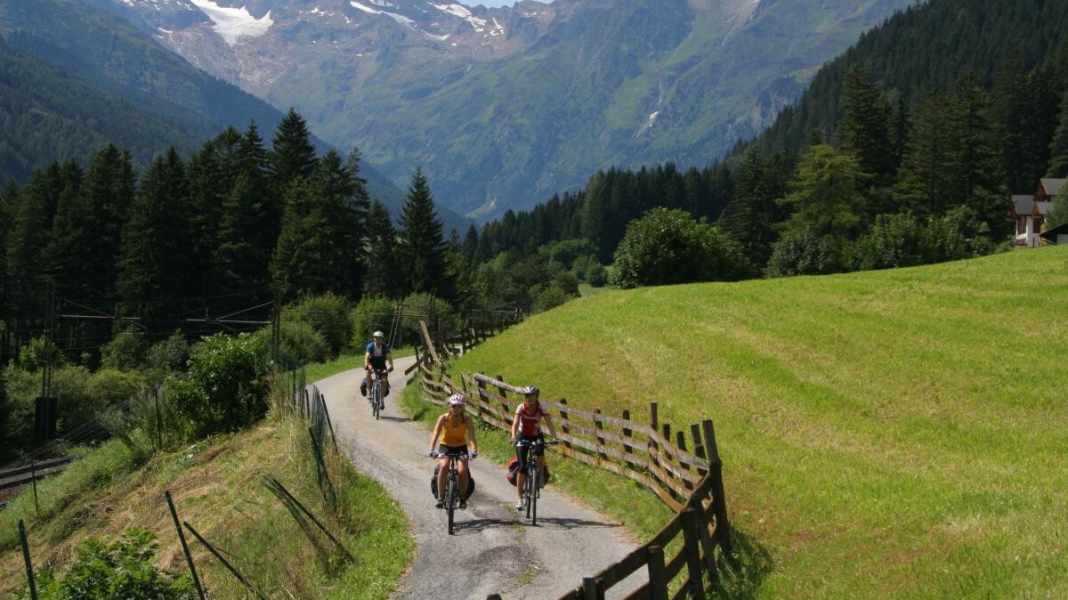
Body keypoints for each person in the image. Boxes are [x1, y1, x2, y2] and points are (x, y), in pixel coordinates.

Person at [510, 385, 557, 511]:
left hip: (536, 435)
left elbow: (549, 423)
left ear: (537, 397)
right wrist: (513, 436)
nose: (529, 399)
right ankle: (520, 498)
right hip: (522, 436)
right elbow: (515, 423)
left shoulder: (541, 407)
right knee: (522, 467)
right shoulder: (521, 407)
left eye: (531, 396)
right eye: (527, 396)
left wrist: (554, 437)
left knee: (540, 453)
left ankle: (540, 475)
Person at [428, 393, 478, 509]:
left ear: (463, 408)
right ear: (449, 406)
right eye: (454, 406)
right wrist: (432, 449)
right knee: (444, 466)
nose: (456, 409)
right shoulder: (443, 418)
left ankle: (462, 498)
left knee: (462, 470)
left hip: (461, 446)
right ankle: (440, 497)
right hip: (446, 445)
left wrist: (474, 450)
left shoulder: (466, 419)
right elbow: (436, 432)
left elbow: (471, 436)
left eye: (459, 406)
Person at [361, 330, 394, 399]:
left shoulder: (385, 347)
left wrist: (390, 366)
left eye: (380, 338)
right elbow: (366, 357)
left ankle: (381, 399)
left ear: (382, 339)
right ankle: (369, 392)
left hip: (381, 365)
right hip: (371, 364)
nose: (378, 340)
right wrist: (367, 365)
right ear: (374, 338)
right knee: (368, 373)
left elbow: (389, 358)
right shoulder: (370, 346)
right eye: (376, 338)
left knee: (384, 380)